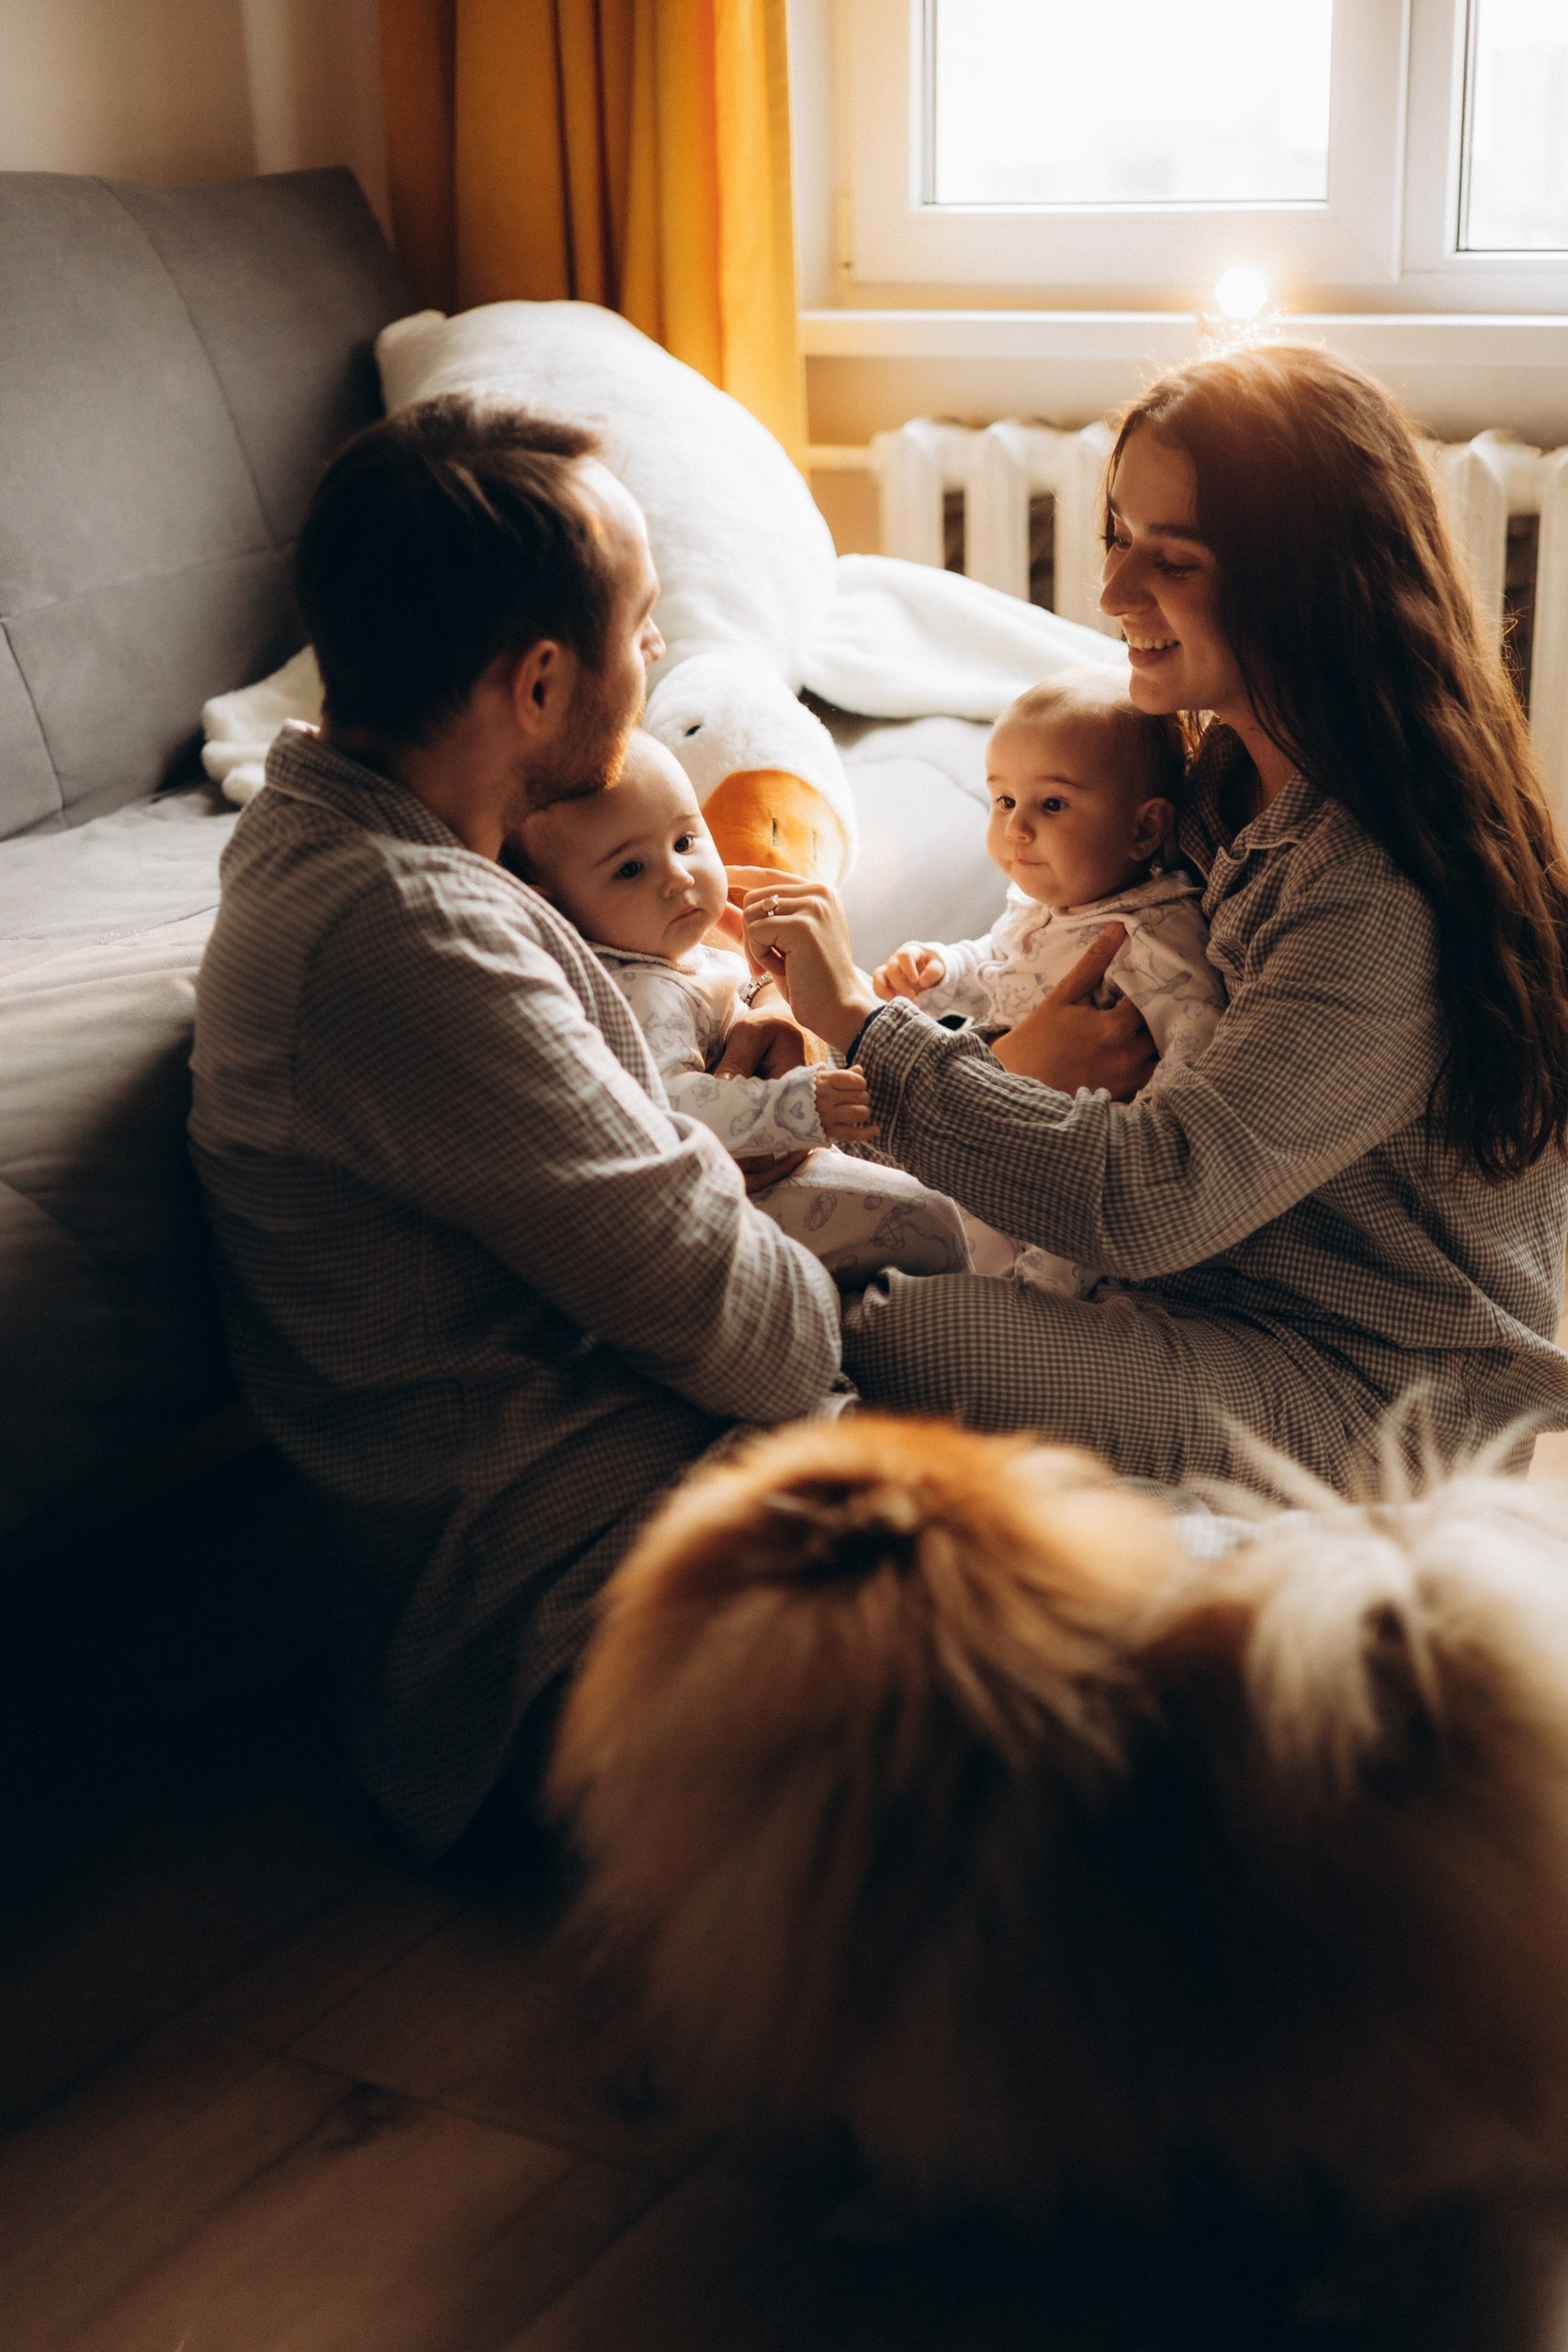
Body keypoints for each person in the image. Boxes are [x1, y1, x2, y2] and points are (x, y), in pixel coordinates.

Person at [187, 395, 843, 1858]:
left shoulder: (339, 835)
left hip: (649, 1504)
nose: (657, 655)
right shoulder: (410, 935)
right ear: (540, 686)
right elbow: (763, 1336)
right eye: (642, 625)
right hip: (553, 1630)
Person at [735, 343, 1568, 1489]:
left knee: (897, 1334)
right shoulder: (1210, 778)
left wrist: (865, 1033)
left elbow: (1156, 1195)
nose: (1115, 594)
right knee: (813, 1249)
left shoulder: (1374, 890)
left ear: (1308, 584)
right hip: (1218, 1276)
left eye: (1170, 560)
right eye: (1117, 538)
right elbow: (1046, 959)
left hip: (1370, 1371)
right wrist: (897, 1055)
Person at [516, 730, 972, 1283]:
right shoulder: (637, 991)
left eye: (685, 841)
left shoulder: (670, 946)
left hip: (777, 1151)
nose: (680, 877)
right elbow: (670, 1104)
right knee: (929, 1219)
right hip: (729, 1203)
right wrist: (797, 1105)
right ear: (555, 909)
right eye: (630, 869)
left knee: (928, 1177)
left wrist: (768, 993)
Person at [872, 667, 1225, 1292]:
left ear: (1142, 829)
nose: (1016, 827)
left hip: (1083, 1171)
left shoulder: (1151, 939)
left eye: (1051, 804)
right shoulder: (1041, 905)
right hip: (1003, 1136)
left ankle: (1028, 1309)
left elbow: (1196, 1047)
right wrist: (941, 969)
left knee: (1033, 1268)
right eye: (1003, 799)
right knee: (938, 1220)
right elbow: (995, 965)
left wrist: (1139, 1127)